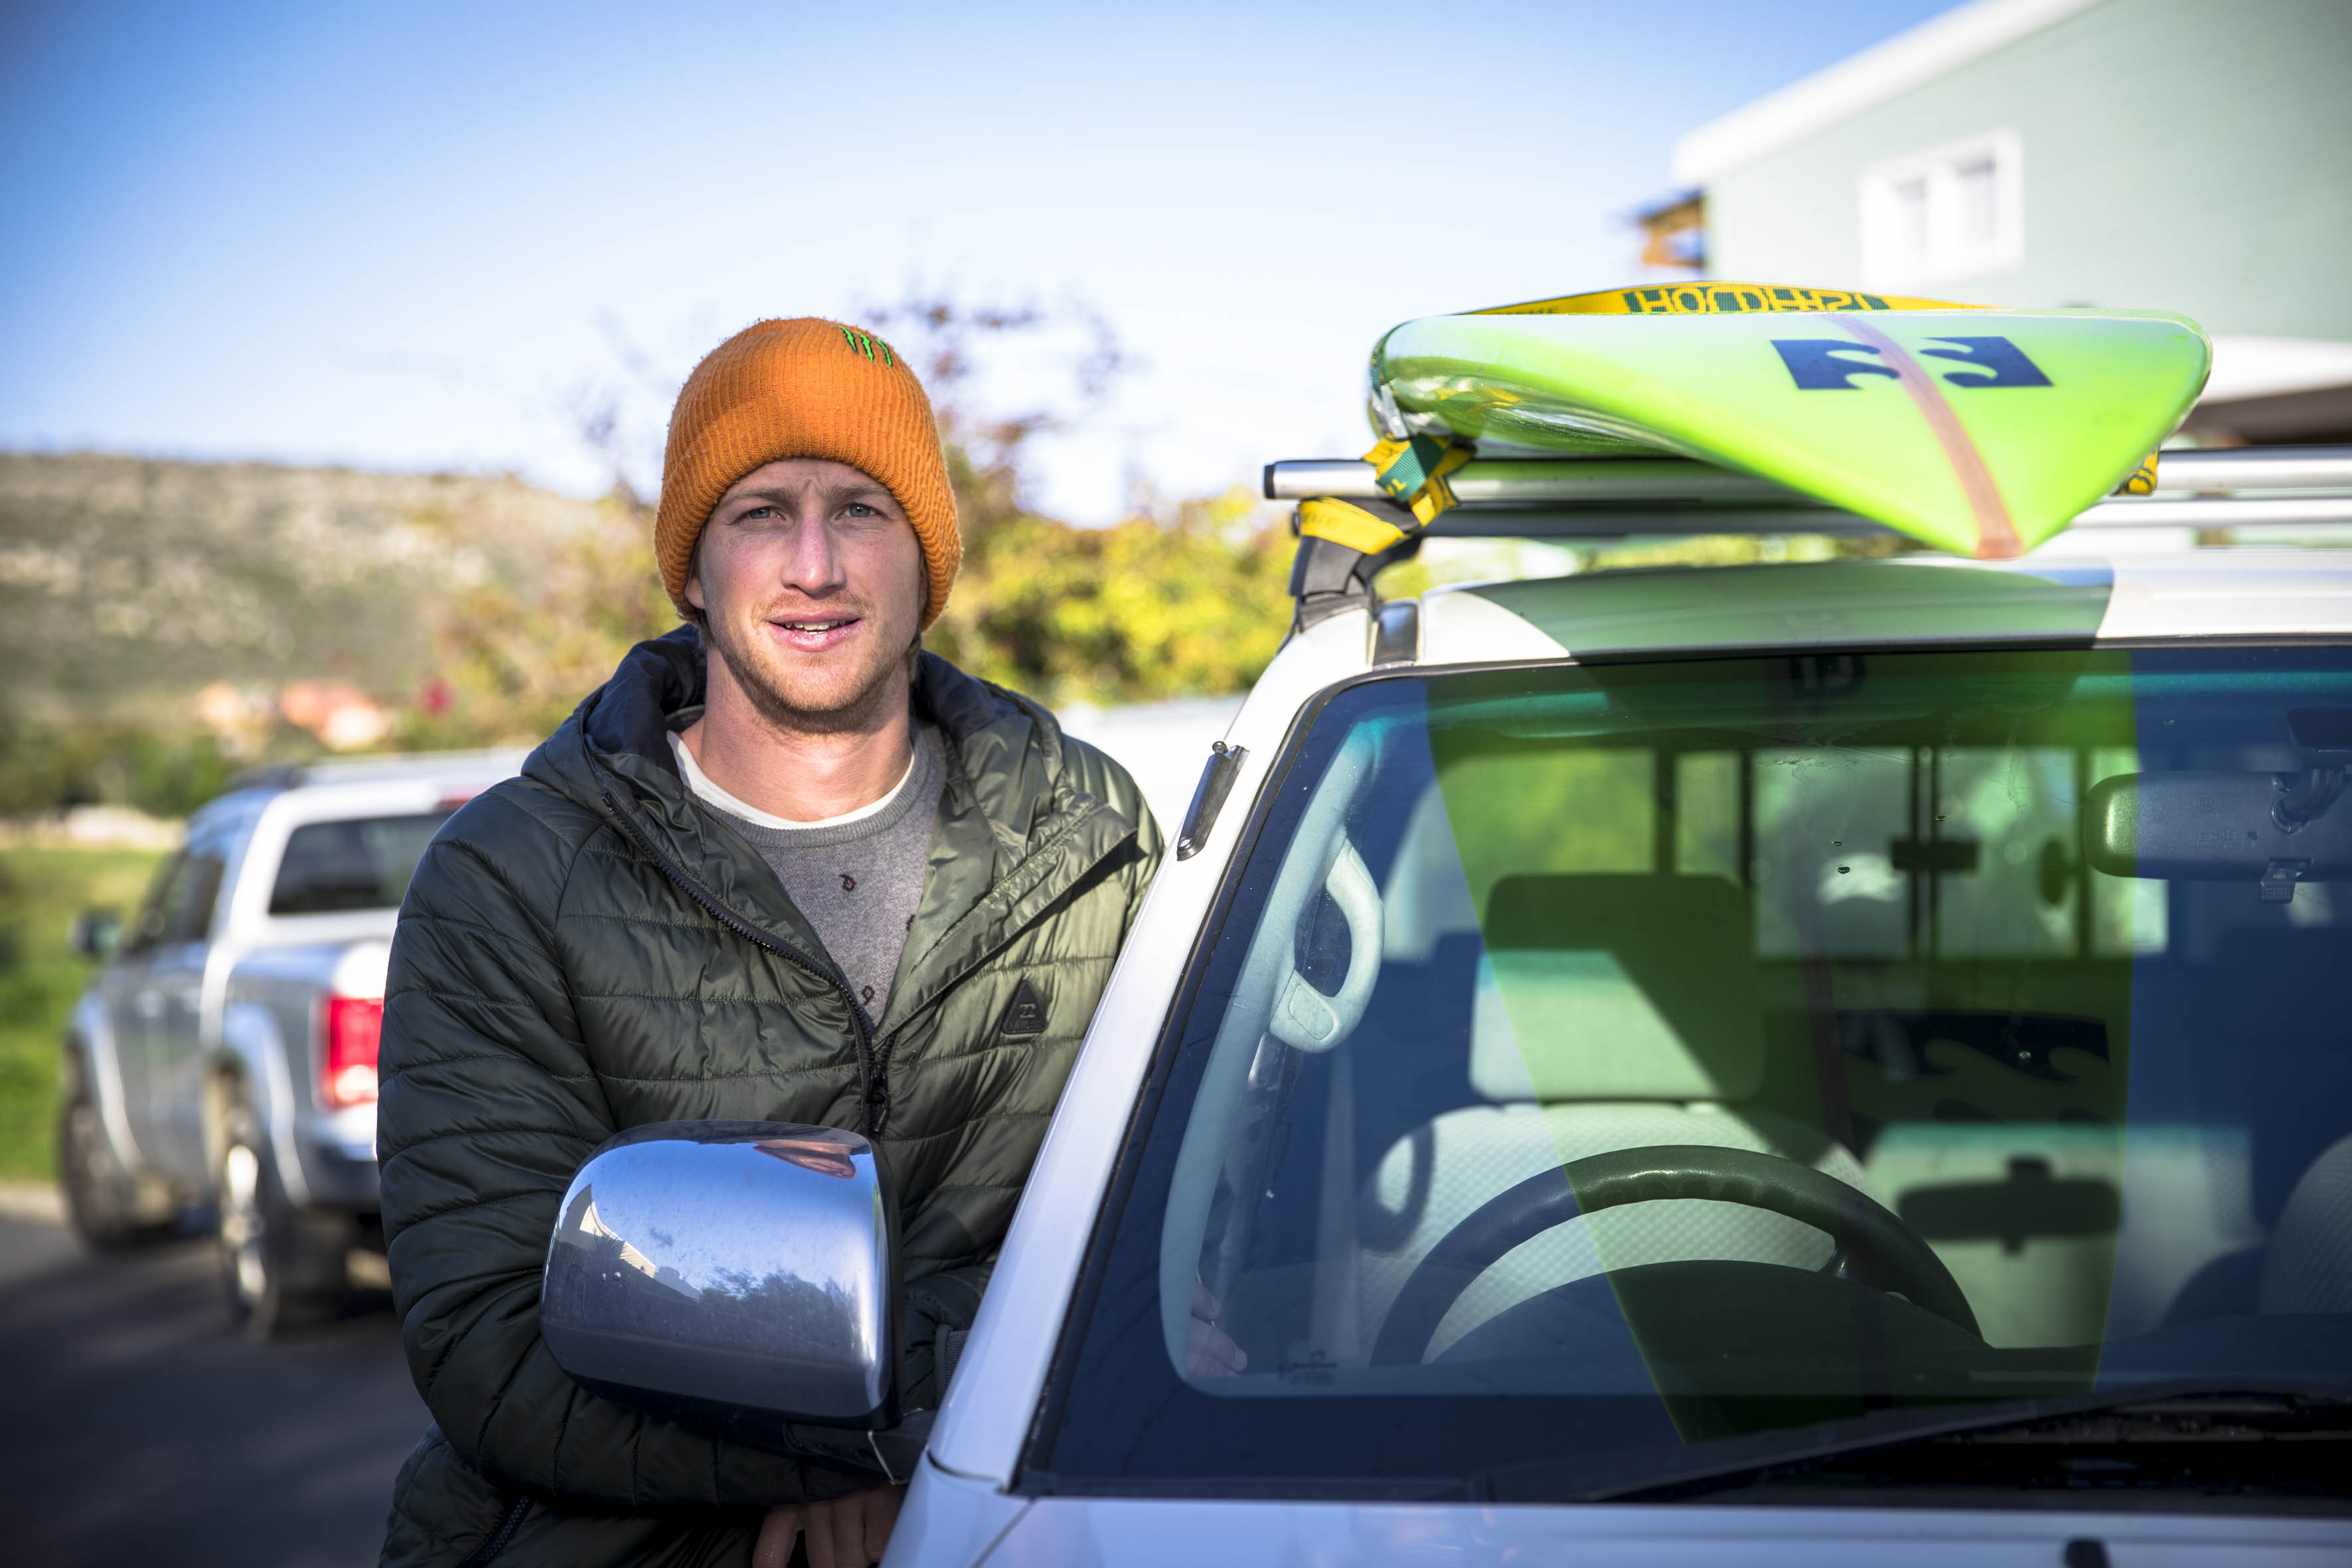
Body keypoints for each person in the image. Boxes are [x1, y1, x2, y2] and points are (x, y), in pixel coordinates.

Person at [375, 319, 1161, 1568]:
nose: (814, 564)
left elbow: (1174, 1232)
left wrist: (909, 1451)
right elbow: (490, 1329)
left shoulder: (1089, 842)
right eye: (760, 513)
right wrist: (846, 1458)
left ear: (925, 559)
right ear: (693, 569)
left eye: (860, 510)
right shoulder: (513, 875)